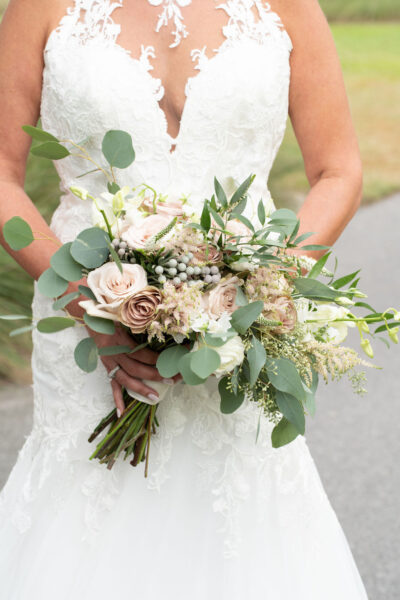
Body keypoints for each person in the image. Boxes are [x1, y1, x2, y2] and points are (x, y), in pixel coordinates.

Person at [0, 1, 368, 598]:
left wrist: (257, 289)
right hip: (85, 332)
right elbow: (2, 172)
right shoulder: (42, 6)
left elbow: (339, 169)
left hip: (240, 333)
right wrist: (86, 302)